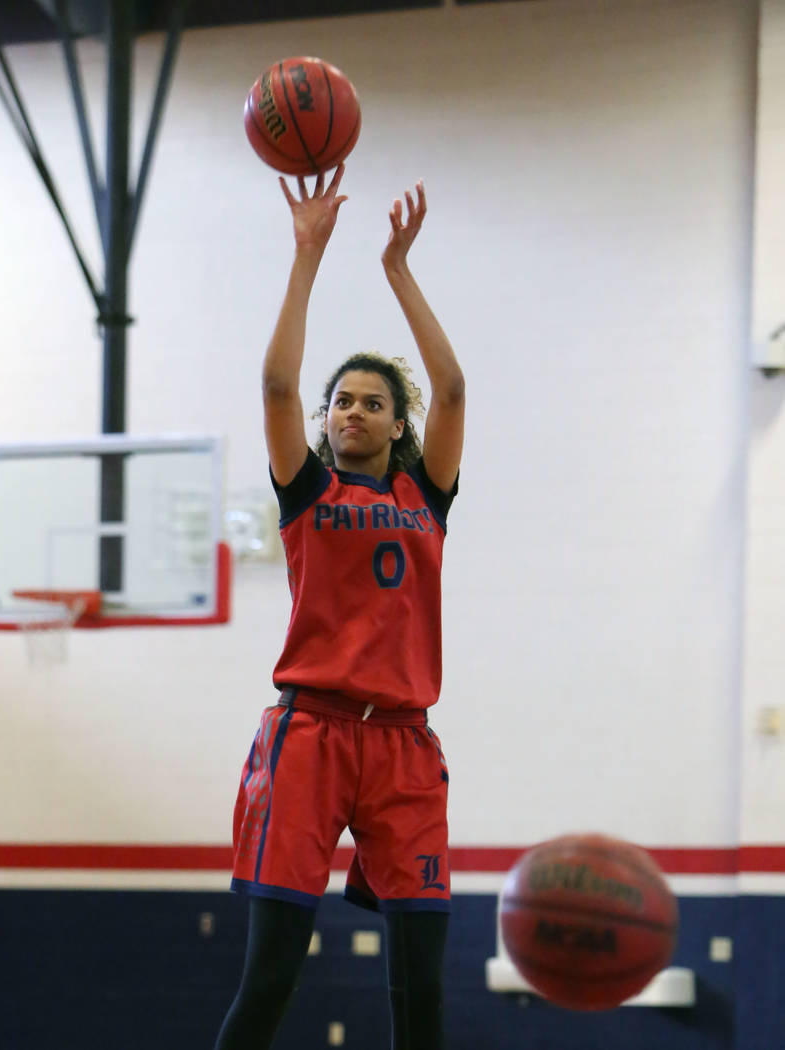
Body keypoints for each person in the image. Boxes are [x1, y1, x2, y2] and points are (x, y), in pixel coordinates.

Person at [214, 163, 465, 1050]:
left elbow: (456, 388)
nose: (352, 411)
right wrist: (307, 254)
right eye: (341, 403)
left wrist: (398, 270)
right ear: (324, 422)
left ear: (400, 423)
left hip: (402, 743)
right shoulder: (308, 494)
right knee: (272, 977)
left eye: (373, 403)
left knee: (422, 991)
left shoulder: (425, 496)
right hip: (311, 734)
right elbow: (276, 385)